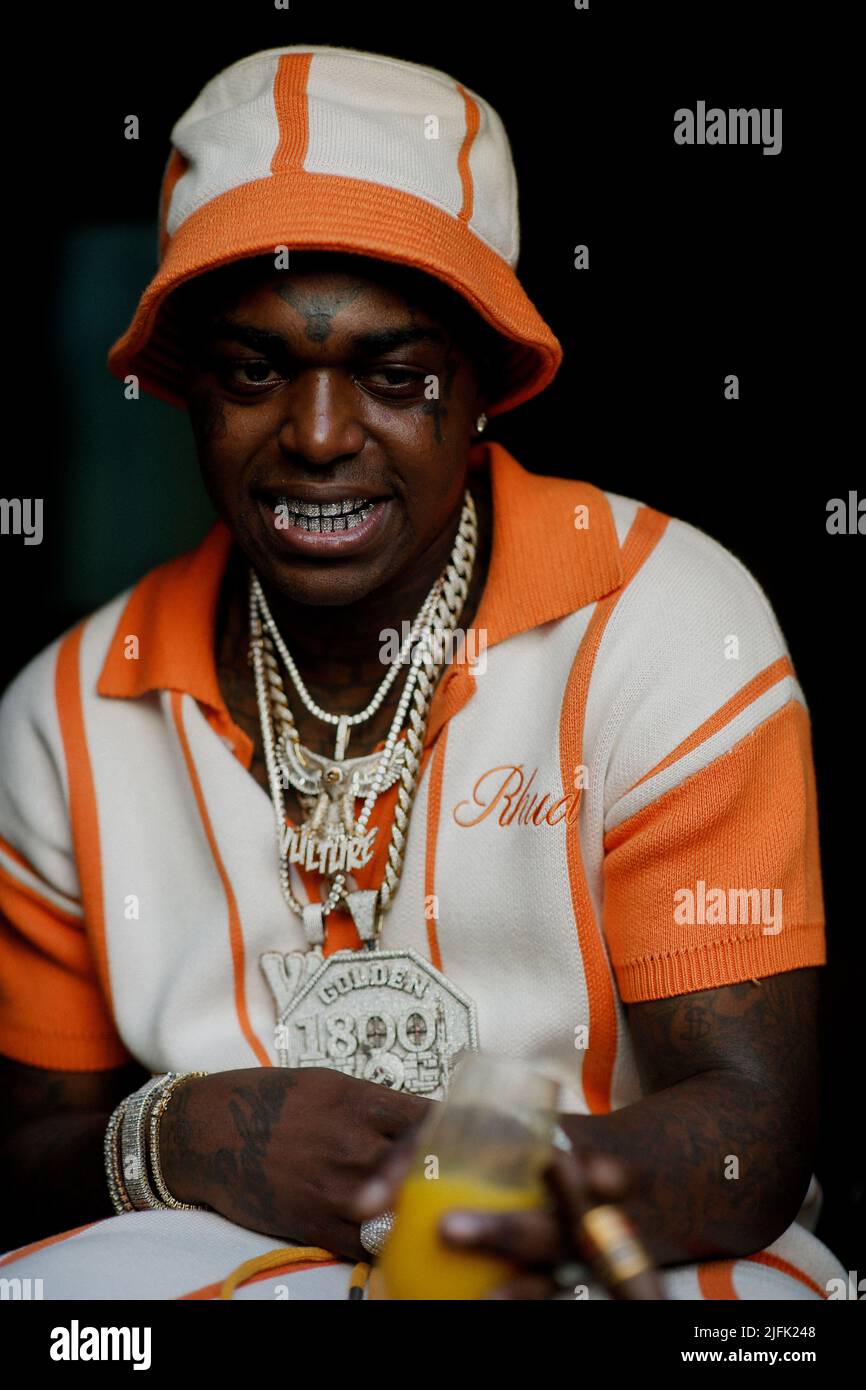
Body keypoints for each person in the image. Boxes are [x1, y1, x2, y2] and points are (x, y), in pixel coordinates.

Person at [0, 44, 845, 1301]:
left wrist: (452, 1205)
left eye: (395, 377)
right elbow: (22, 1152)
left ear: (484, 387)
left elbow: (748, 1142)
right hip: (210, 1248)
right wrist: (189, 1136)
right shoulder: (64, 714)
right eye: (252, 371)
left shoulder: (668, 625)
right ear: (184, 386)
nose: (321, 436)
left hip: (599, 1244)